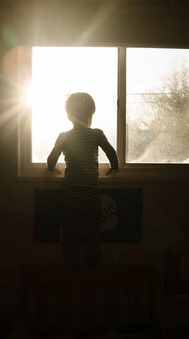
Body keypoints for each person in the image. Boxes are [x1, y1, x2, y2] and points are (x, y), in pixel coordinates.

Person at [47, 92, 119, 270]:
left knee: (70, 230)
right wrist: (114, 167)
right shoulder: (96, 135)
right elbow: (112, 153)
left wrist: (53, 169)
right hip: (90, 191)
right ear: (90, 115)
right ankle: (94, 261)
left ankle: (71, 262)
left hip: (70, 191)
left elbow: (50, 162)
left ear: (69, 116)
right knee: (92, 230)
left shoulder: (64, 136)